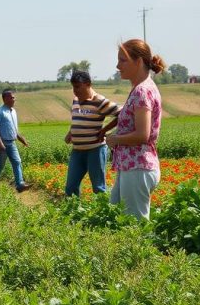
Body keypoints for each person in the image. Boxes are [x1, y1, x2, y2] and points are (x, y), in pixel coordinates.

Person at [106, 39, 165, 219]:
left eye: (123, 60)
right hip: (132, 166)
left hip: (138, 167)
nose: (118, 66)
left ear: (138, 61)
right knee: (116, 216)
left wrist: (116, 139)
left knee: (135, 225)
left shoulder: (142, 91)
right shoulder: (140, 88)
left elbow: (142, 134)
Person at [64, 71, 120, 196]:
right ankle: (74, 214)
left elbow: (122, 114)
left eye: (78, 86)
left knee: (98, 188)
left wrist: (105, 130)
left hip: (95, 150)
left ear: (88, 84)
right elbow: (78, 120)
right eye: (73, 87)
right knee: (70, 188)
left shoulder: (99, 101)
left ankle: (104, 213)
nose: (75, 90)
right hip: (77, 151)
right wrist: (71, 133)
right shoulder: (75, 101)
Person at [0, 89, 31, 192]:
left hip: (12, 142)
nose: (14, 99)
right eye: (11, 97)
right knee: (0, 165)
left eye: (14, 97)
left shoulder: (13, 112)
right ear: (4, 99)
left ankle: (20, 184)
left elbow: (14, 129)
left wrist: (22, 140)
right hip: (3, 142)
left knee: (17, 161)